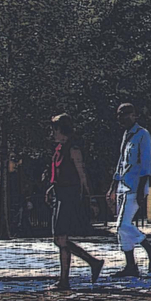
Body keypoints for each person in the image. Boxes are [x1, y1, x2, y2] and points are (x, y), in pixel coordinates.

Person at [47, 114, 103, 290]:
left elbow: (82, 174)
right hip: (59, 193)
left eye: (54, 129)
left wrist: (91, 197)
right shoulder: (58, 148)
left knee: (60, 238)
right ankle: (66, 278)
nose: (52, 132)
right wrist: (51, 188)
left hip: (69, 195)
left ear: (61, 129)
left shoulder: (73, 148)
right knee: (60, 238)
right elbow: (57, 173)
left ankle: (90, 263)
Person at [107, 102, 151, 277]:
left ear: (134, 115)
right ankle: (130, 265)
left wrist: (141, 188)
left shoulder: (142, 134)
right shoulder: (126, 136)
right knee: (123, 228)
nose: (122, 118)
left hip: (135, 187)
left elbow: (146, 163)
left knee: (122, 225)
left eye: (125, 114)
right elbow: (120, 163)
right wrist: (113, 186)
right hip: (123, 185)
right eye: (119, 115)